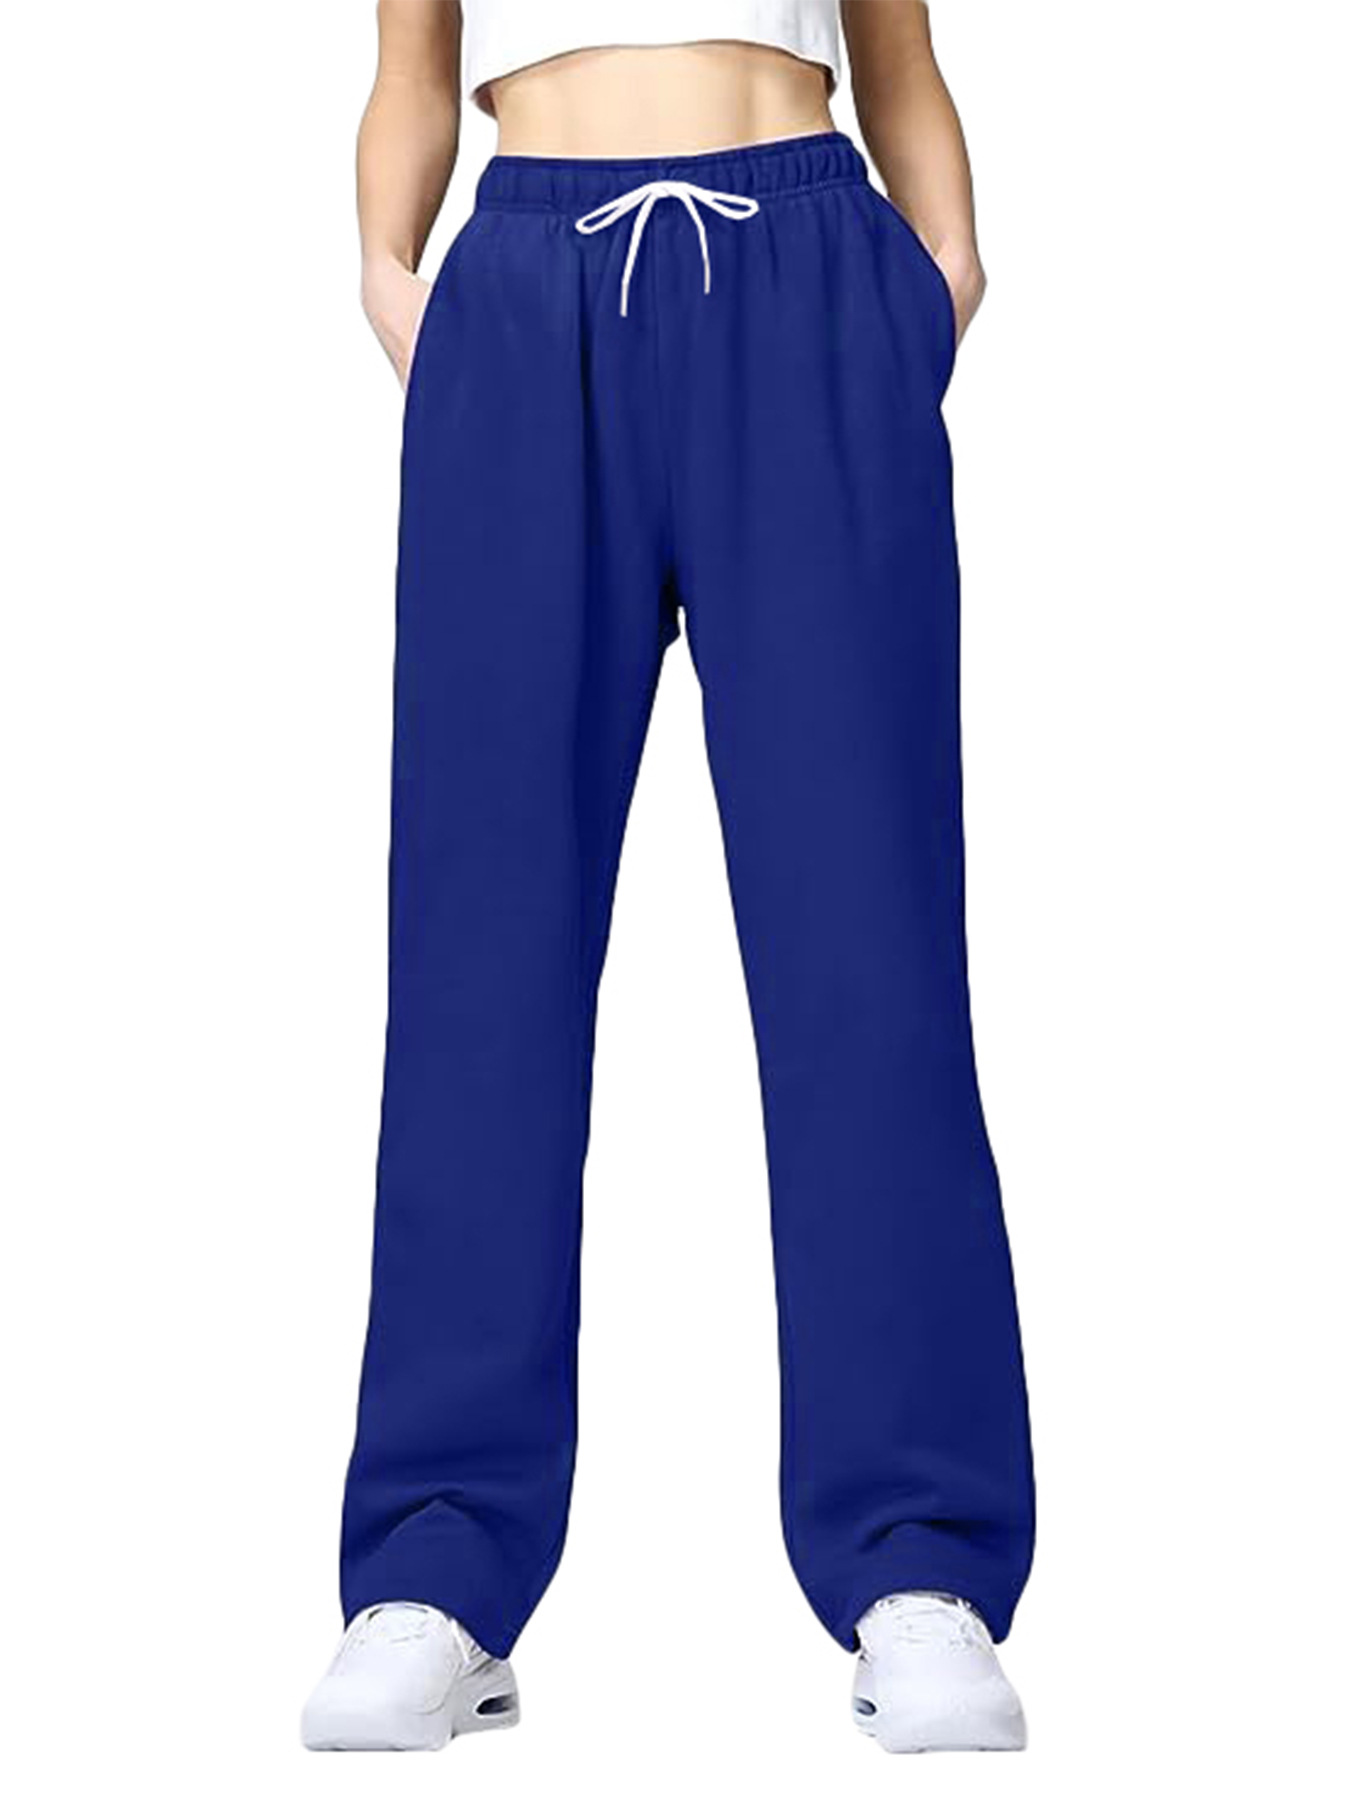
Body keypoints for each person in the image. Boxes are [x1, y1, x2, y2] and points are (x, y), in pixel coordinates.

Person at [302, 0, 1034, 1756]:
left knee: (865, 954)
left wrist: (935, 282)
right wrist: (395, 281)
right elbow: (410, 70)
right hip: (521, 292)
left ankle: (917, 1561)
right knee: (482, 957)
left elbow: (895, 54)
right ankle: (437, 1564)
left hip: (809, 272)